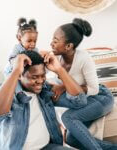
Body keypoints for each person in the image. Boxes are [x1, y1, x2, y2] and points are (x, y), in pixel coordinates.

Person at [0, 50, 83, 150]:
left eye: (43, 76)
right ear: (20, 75)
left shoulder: (45, 90)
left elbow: (80, 101)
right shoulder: (8, 90)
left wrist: (59, 69)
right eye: (34, 77)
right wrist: (15, 71)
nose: (40, 81)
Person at [47, 18, 116, 150]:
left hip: (100, 98)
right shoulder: (57, 58)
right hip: (84, 101)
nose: (51, 44)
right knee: (71, 139)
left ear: (69, 46)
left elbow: (94, 89)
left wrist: (63, 86)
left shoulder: (84, 58)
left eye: (55, 41)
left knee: (68, 118)